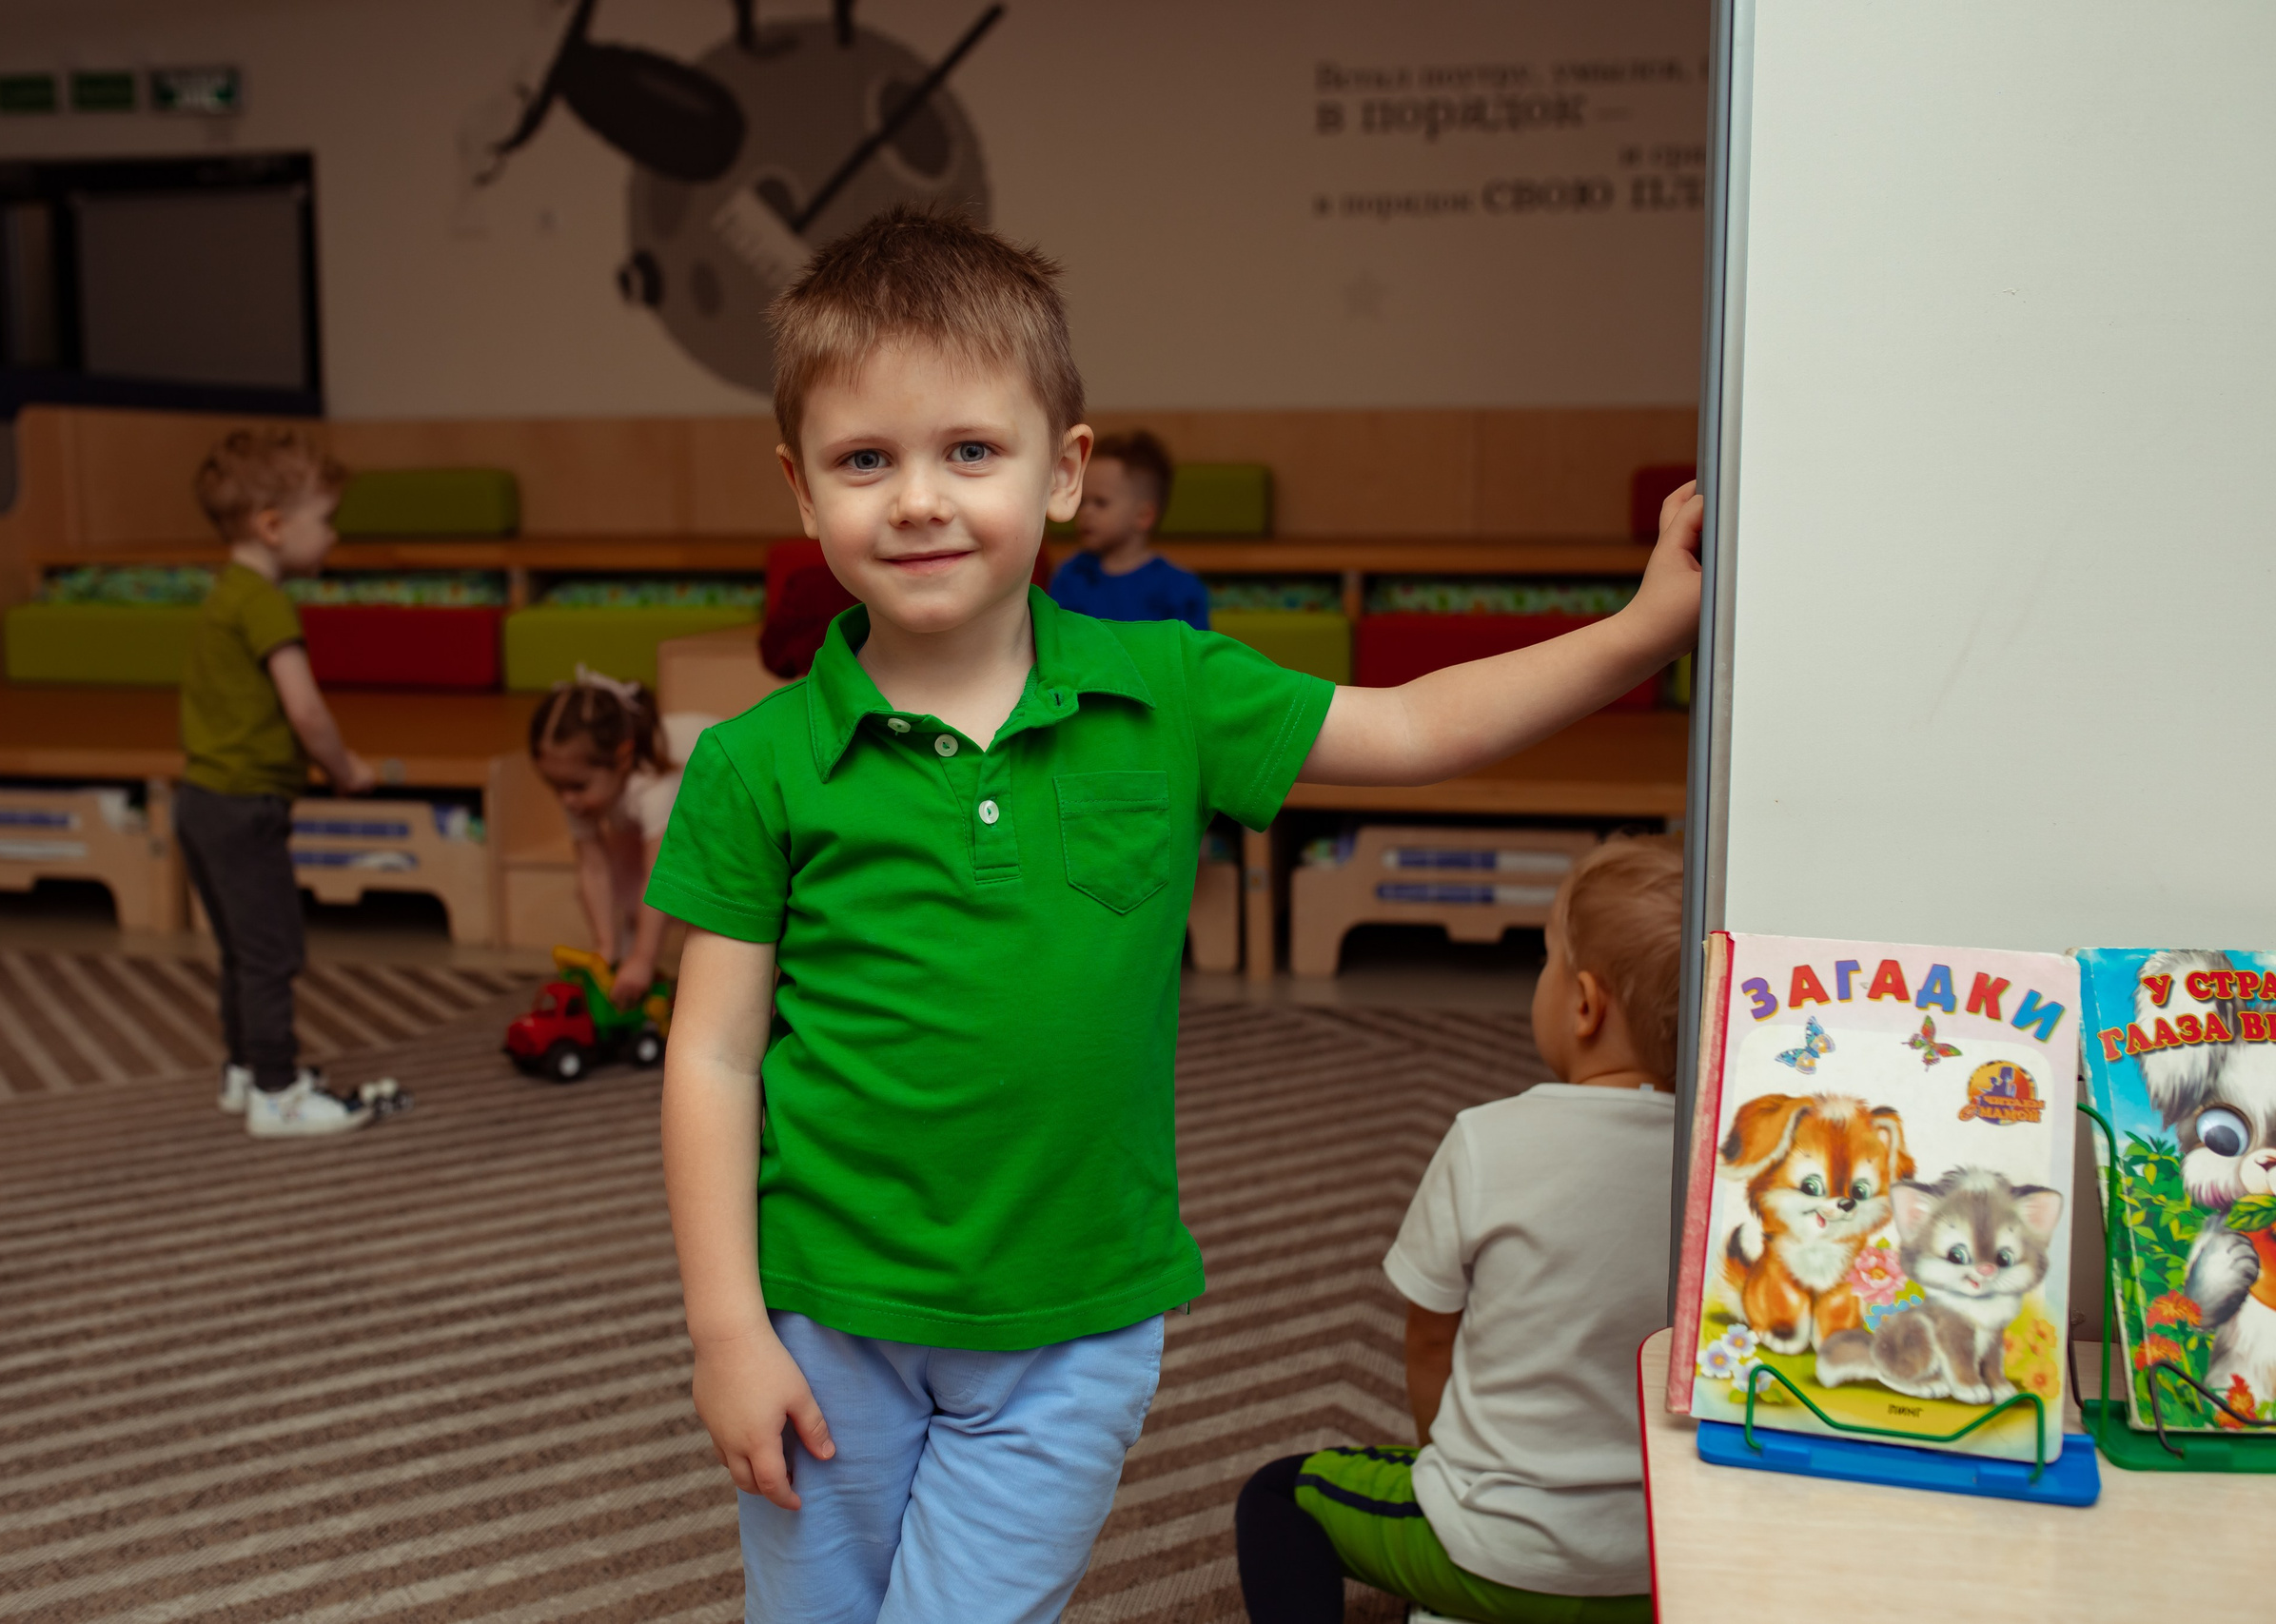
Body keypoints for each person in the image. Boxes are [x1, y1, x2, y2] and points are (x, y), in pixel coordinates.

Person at [649, 203, 1702, 1624]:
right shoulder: (751, 761)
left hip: (1074, 1324)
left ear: (1066, 471)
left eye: (970, 451)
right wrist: (726, 1329)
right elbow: (713, 1054)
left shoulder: (1170, 687)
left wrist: (1642, 630)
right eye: (864, 460)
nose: (917, 499)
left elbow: (1413, 726)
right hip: (823, 1308)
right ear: (800, 488)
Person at [1234, 835, 1686, 1624]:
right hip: (1657, 1571)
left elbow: (1428, 1339)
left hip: (1489, 1553)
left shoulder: (1486, 1140)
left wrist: (1443, 1466)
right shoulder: (1723, 1165)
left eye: (1545, 961)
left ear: (1584, 1004)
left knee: (1278, 1496)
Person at [176, 427, 380, 1139]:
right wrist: (345, 769)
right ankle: (276, 1090)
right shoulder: (265, 603)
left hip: (201, 802)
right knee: (272, 951)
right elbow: (306, 710)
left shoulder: (224, 595)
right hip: (243, 807)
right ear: (272, 525)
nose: (332, 535)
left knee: (240, 948)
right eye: (324, 519)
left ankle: (243, 1069)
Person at [528, 665, 683, 1008]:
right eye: (555, 786)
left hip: (730, 821)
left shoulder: (655, 788)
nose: (567, 800)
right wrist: (605, 949)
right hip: (655, 834)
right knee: (621, 876)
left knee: (691, 893)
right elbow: (593, 869)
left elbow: (661, 877)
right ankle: (624, 961)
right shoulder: (578, 790)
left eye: (577, 786)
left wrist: (643, 959)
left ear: (623, 758)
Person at [1046, 428, 1208, 628]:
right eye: (1082, 502)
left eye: (1100, 502)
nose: (1085, 512)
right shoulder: (1070, 577)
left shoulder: (1179, 588)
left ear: (1143, 516)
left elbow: (1193, 647)